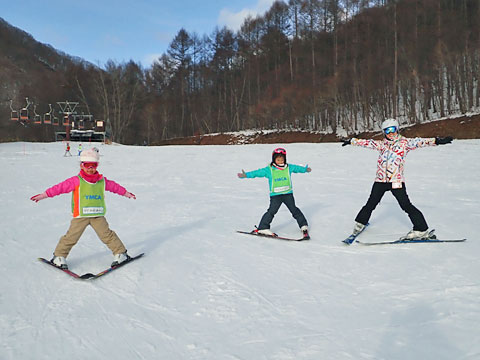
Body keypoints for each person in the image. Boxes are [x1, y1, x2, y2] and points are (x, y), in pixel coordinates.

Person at [342, 118, 453, 241]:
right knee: (371, 203)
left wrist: (437, 141)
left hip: (396, 181)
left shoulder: (405, 143)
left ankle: (421, 229)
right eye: (387, 130)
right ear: (384, 132)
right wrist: (352, 141)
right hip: (380, 181)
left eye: (393, 129)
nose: (390, 132)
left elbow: (421, 142)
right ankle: (360, 223)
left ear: (397, 129)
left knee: (406, 205)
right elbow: (367, 143)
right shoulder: (382, 144)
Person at [30, 148, 136, 269]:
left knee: (107, 235)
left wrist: (126, 193)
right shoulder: (76, 180)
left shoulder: (102, 181)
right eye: (87, 165)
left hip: (97, 215)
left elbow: (114, 187)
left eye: (93, 165)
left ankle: (121, 253)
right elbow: (60, 187)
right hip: (81, 215)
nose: (90, 168)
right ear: (81, 165)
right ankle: (59, 256)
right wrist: (45, 194)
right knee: (71, 237)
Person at [238, 147, 312, 239]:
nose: (280, 161)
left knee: (294, 210)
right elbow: (258, 172)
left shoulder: (288, 167)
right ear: (274, 160)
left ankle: (303, 225)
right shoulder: (269, 169)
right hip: (275, 195)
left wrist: (305, 169)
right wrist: (246, 175)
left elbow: (297, 168)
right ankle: (263, 227)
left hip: (288, 193)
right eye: (278, 159)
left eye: (282, 159)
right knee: (272, 211)